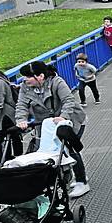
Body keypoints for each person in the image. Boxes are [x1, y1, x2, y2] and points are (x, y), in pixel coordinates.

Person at [16, 60, 90, 197]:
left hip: (70, 120)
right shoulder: (25, 87)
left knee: (69, 149)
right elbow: (21, 104)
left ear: (40, 76)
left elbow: (69, 100)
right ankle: (63, 179)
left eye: (28, 76)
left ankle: (82, 181)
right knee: (51, 152)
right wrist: (21, 120)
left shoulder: (57, 82)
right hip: (46, 125)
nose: (25, 79)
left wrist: (63, 116)